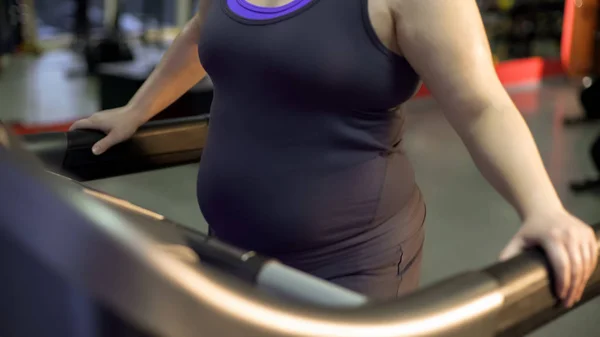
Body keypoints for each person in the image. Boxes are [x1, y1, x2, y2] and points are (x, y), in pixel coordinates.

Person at [71, 0, 598, 305]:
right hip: (231, 248)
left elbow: (481, 104)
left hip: (349, 265)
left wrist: (542, 208)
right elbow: (203, 32)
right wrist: (138, 110)